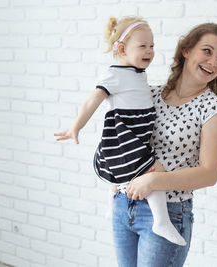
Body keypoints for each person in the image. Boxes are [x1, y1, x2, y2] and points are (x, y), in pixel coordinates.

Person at [111, 22, 217, 267]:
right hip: (123, 204)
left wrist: (153, 181)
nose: (213, 62)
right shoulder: (150, 93)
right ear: (186, 50)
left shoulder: (214, 110)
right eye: (208, 51)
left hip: (167, 213)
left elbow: (208, 174)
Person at [54, 16, 186, 246]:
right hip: (125, 134)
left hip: (137, 133)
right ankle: (161, 220)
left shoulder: (136, 72)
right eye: (143, 46)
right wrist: (76, 127)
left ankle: (112, 204)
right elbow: (91, 101)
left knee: (122, 174)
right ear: (122, 49)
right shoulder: (113, 74)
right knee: (154, 169)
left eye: (152, 46)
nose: (149, 51)